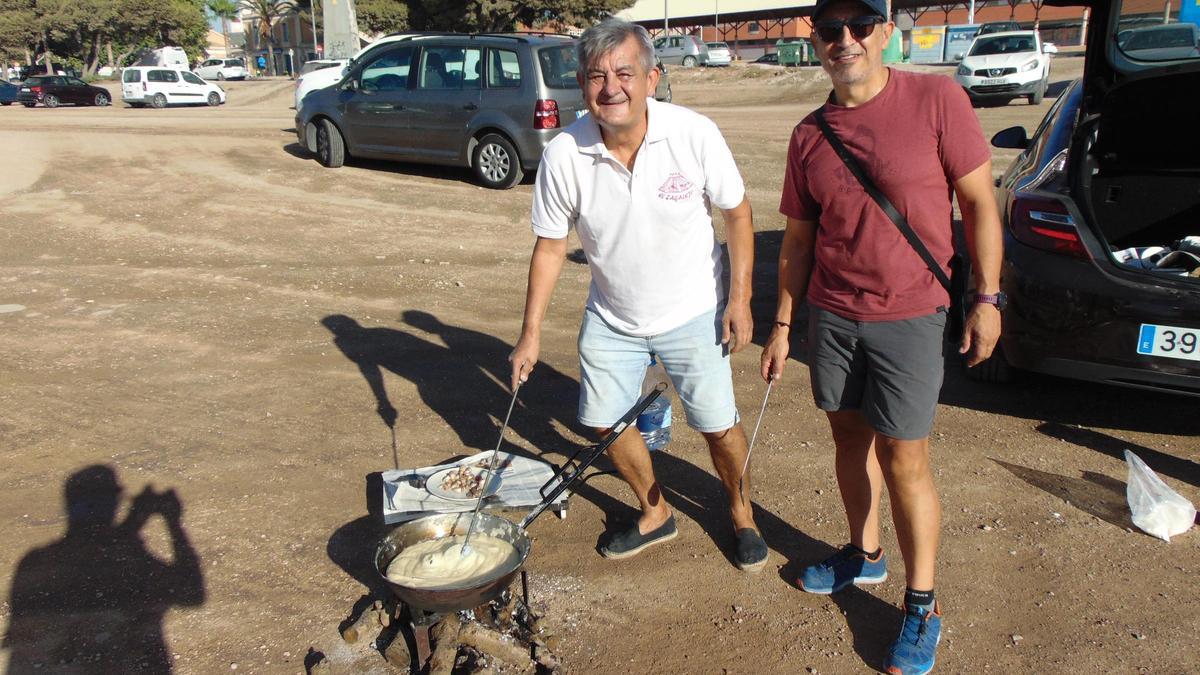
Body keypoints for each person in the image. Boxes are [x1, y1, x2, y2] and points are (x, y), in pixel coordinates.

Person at [760, 0, 1003, 672]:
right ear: (816, 41)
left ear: (886, 34)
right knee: (848, 437)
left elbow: (980, 203)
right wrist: (781, 325)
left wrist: (987, 298)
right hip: (834, 315)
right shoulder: (809, 135)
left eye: (860, 26)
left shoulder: (936, 100)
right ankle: (864, 554)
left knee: (904, 457)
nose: (845, 40)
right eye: (830, 29)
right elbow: (798, 242)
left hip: (911, 315)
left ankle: (922, 603)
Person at [509, 18, 769, 570]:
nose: (611, 88)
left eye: (624, 73)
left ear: (651, 79)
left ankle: (742, 513)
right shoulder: (564, 153)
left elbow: (738, 214)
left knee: (718, 426)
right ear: (582, 84)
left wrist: (739, 299)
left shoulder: (693, 133)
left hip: (694, 309)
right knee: (602, 420)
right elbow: (551, 247)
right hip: (613, 315)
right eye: (596, 76)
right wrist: (529, 334)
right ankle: (656, 512)